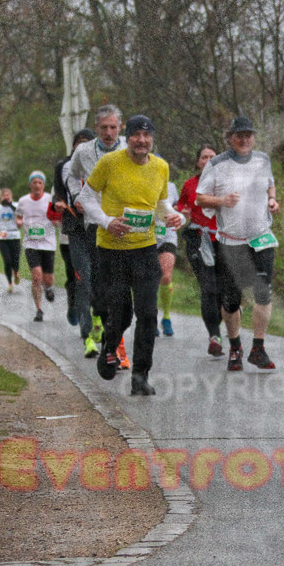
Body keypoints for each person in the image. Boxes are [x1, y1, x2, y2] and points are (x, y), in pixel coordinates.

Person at [77, 114, 182, 396]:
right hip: (112, 251)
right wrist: (106, 221)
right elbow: (85, 198)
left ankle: (140, 375)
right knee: (122, 315)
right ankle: (109, 346)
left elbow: (161, 205)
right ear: (128, 137)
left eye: (147, 136)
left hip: (146, 249)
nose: (141, 140)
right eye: (136, 135)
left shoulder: (160, 167)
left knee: (147, 314)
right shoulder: (110, 163)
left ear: (153, 139)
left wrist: (175, 216)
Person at [197, 116, 280, 372]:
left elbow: (270, 185)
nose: (244, 140)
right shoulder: (216, 164)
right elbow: (200, 198)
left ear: (254, 137)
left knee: (263, 293)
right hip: (231, 242)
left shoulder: (263, 160)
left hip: (261, 238)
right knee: (231, 300)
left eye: (248, 135)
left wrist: (272, 200)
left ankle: (258, 348)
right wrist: (222, 201)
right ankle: (235, 347)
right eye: (239, 135)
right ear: (230, 138)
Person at [68, 105, 130, 366]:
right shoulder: (83, 151)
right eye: (104, 127)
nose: (108, 132)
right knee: (101, 283)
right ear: (96, 128)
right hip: (96, 224)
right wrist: (77, 197)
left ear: (120, 127)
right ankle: (103, 328)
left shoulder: (130, 146)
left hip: (125, 223)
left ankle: (117, 344)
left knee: (121, 284)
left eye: (113, 127)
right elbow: (72, 176)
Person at [176, 145, 224, 357]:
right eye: (204, 157)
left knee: (224, 289)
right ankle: (214, 336)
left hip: (224, 240)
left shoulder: (226, 184)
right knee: (208, 287)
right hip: (198, 239)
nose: (208, 160)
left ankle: (220, 322)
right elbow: (181, 207)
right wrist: (181, 214)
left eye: (213, 157)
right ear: (198, 162)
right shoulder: (189, 185)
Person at [54, 129, 96, 331]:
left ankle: (98, 317)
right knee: (80, 275)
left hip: (98, 225)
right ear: (73, 146)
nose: (82, 147)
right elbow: (58, 192)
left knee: (97, 276)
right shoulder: (63, 166)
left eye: (86, 143)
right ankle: (85, 325)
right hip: (74, 225)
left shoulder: (101, 163)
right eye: (79, 142)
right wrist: (58, 203)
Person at [16, 171, 57, 322]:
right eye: (35, 182)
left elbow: (57, 216)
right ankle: (39, 309)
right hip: (30, 243)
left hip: (48, 243)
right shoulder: (23, 201)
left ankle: (49, 288)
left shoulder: (50, 199)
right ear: (30, 185)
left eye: (40, 182)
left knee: (48, 278)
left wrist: (56, 220)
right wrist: (19, 222)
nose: (37, 185)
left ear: (43, 185)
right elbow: (18, 216)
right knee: (36, 276)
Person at [154, 178, 183, 337]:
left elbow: (178, 208)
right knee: (149, 279)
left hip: (167, 235)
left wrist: (179, 213)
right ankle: (151, 317)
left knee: (165, 276)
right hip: (146, 236)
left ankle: (166, 316)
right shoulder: (137, 181)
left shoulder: (171, 186)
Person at [0, 188, 22, 292]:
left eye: (8, 195)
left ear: (11, 197)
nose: (6, 197)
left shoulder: (16, 205)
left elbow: (19, 214)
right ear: (0, 198)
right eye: (3, 196)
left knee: (16, 260)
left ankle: (16, 273)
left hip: (15, 236)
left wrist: (10, 204)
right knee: (7, 261)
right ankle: (10, 284)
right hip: (3, 237)